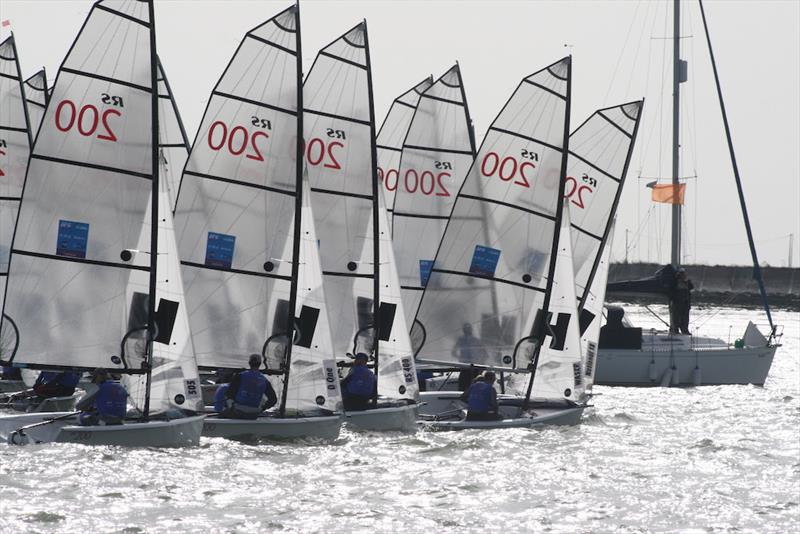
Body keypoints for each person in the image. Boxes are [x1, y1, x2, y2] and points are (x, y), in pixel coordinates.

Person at [221, 354, 277, 419]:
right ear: (260, 364)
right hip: (254, 414)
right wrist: (262, 408)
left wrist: (231, 405)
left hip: (238, 411)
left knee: (222, 414)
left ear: (249, 363)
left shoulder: (240, 376)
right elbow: (273, 399)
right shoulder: (264, 380)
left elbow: (229, 394)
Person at [452, 323, 486, 390]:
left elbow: (453, 352)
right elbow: (484, 353)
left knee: (463, 386)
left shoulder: (461, 340)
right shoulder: (474, 340)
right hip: (472, 366)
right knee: (473, 385)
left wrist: (460, 358)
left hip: (466, 366)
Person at [671, 269, 694, 335]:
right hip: (677, 302)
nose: (683, 275)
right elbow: (672, 290)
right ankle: (675, 329)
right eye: (681, 274)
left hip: (686, 302)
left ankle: (685, 330)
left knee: (685, 317)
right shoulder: (675, 282)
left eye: (683, 274)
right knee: (676, 316)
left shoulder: (687, 282)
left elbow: (691, 287)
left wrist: (686, 281)